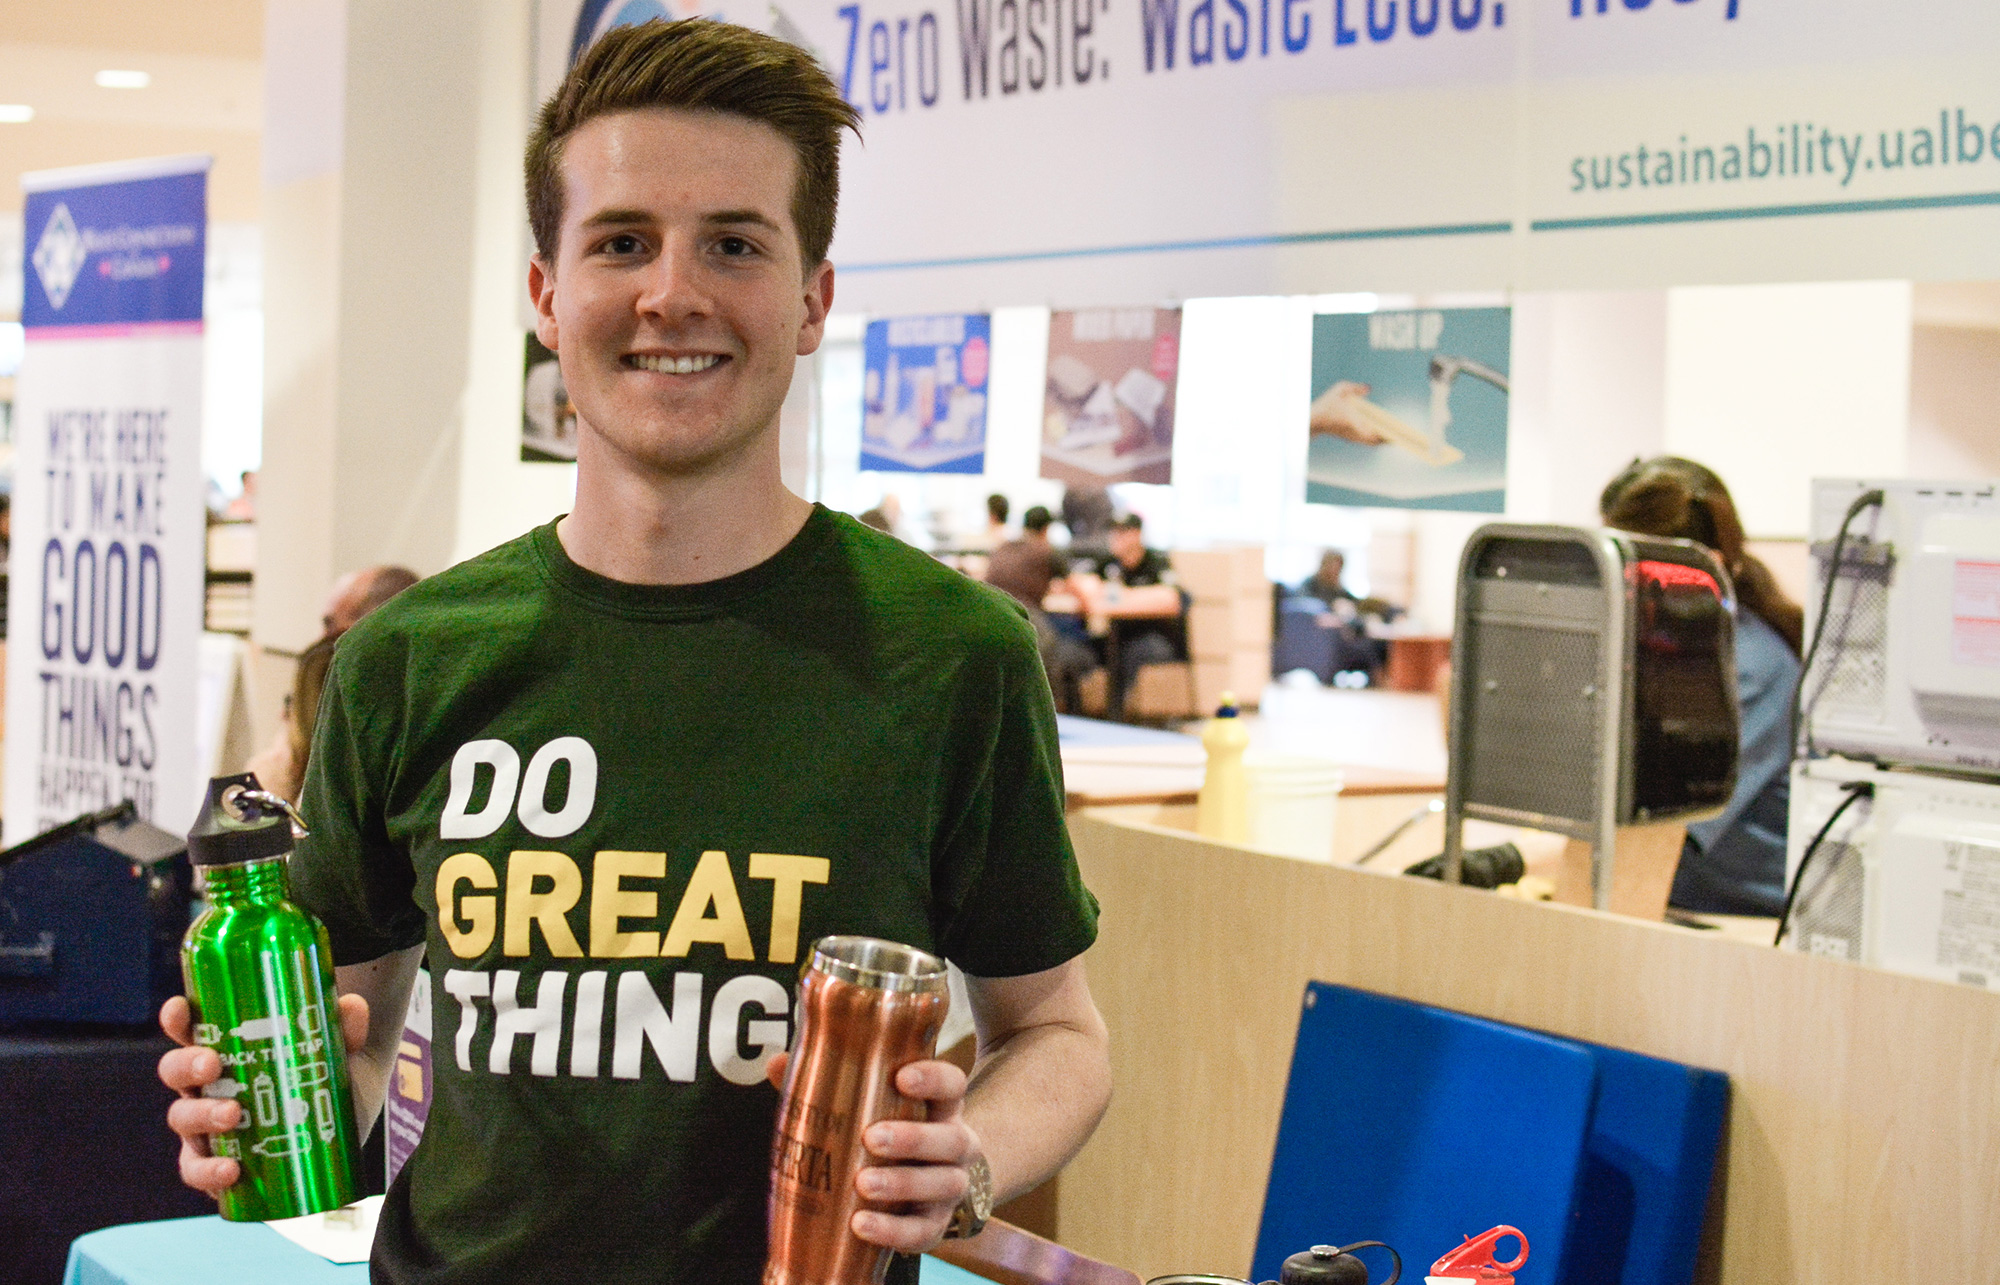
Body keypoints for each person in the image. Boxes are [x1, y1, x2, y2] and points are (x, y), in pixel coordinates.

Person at [160, 21, 1110, 1285]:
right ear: (548, 297)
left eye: (734, 243)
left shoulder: (956, 656)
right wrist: (243, 1099)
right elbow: (337, 1042)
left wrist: (969, 1157)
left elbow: (1057, 1032)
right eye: (621, 243)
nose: (673, 293)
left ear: (812, 298)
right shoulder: (403, 660)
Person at [1601, 455, 1803, 917]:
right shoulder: (1662, 648)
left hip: (1745, 919)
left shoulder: (1751, 668)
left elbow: (1659, 829)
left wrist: (1510, 861)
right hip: (1673, 898)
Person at [986, 506, 1097, 710]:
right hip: (1022, 612)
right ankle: (1047, 710)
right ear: (1046, 529)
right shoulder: (1045, 549)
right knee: (1048, 646)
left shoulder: (1004, 547)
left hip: (989, 612)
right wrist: (1090, 610)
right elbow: (1077, 590)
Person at [1087, 514, 1183, 714]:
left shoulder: (1156, 561)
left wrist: (1126, 597)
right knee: (1084, 650)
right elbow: (1089, 590)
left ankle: (1119, 715)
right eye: (1114, 532)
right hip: (1116, 633)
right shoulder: (1108, 563)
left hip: (1153, 635)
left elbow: (1171, 599)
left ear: (1137, 534)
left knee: (1128, 655)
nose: (1116, 538)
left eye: (1123, 532)